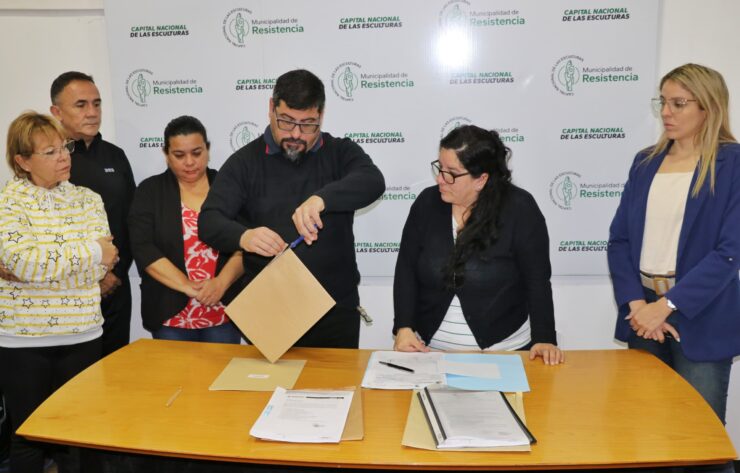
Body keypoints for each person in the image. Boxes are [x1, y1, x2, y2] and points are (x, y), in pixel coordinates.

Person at [608, 64, 739, 473]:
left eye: (678, 103)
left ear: (708, 107)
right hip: (643, 312)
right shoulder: (645, 163)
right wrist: (638, 305)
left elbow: (729, 252)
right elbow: (619, 240)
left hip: (700, 313)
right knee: (645, 436)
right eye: (662, 102)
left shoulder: (732, 164)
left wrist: (665, 307)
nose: (666, 112)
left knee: (700, 444)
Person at [199, 69, 385, 348]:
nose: (296, 134)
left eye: (308, 124)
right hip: (272, 310)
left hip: (335, 309)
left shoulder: (339, 152)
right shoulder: (245, 162)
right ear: (271, 108)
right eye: (286, 122)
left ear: (321, 115)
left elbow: (373, 181)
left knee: (338, 377)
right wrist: (245, 237)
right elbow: (209, 221)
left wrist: (322, 199)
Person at [0, 112, 118, 472]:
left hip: (83, 334)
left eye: (64, 147)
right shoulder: (8, 201)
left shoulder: (88, 199)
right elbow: (22, 261)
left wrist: (39, 270)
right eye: (50, 152)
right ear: (23, 161)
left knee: (83, 437)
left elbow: (104, 264)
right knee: (28, 437)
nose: (64, 157)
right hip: (23, 340)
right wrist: (89, 253)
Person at [393, 125, 563, 365]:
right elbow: (406, 269)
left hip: (504, 352)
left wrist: (545, 337)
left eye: (451, 173)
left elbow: (537, 279)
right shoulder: (426, 204)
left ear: (481, 179)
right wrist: (404, 326)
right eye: (440, 168)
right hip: (428, 352)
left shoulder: (519, 208)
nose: (440, 179)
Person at [129, 116, 244, 343]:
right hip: (170, 315)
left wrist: (221, 283)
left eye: (197, 153)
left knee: (223, 369)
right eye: (179, 155)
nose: (189, 162)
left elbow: (245, 242)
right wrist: (186, 285)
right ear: (166, 154)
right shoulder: (150, 191)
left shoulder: (229, 187)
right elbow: (143, 247)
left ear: (207, 150)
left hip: (224, 312)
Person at [50, 71, 136, 357]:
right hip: (69, 293)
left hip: (116, 287)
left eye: (96, 104)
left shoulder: (115, 155)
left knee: (116, 371)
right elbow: (49, 231)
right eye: (81, 105)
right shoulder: (47, 161)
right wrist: (91, 278)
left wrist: (113, 274)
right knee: (77, 376)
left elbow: (131, 220)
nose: (92, 112)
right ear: (56, 112)